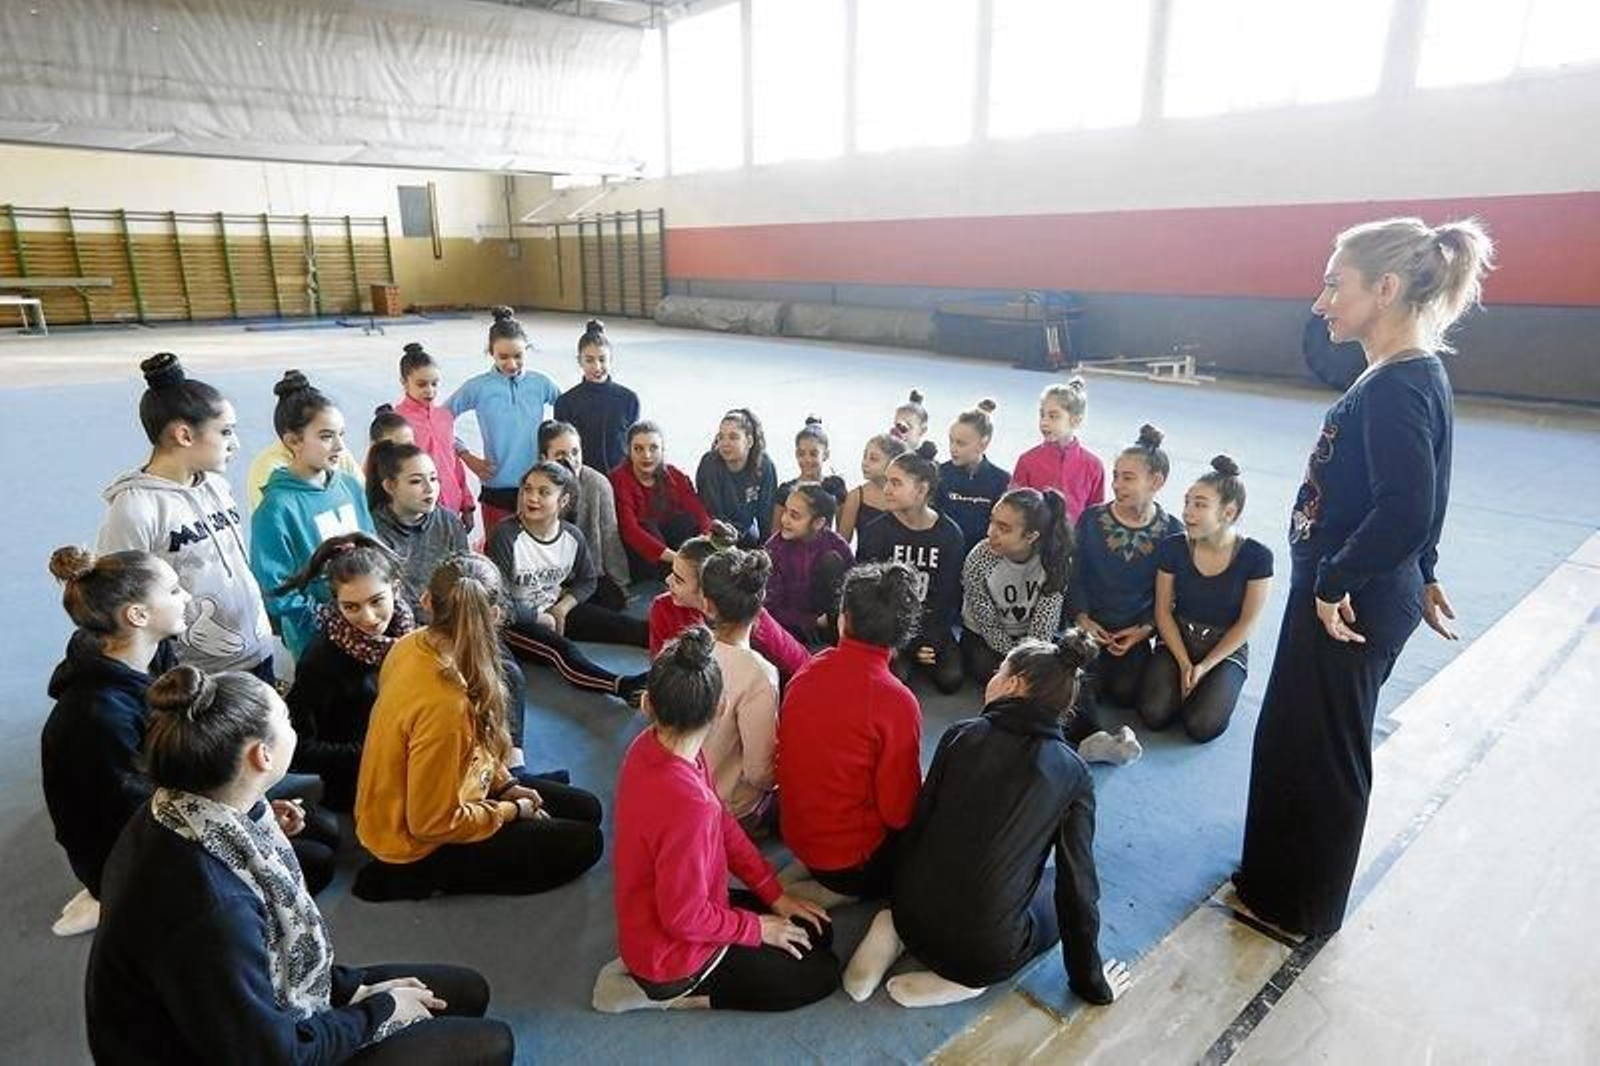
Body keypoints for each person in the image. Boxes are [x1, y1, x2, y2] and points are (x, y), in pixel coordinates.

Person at [1237, 217, 1492, 936]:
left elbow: (1409, 504)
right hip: (1367, 587)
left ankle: (1299, 906)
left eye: (1333, 285)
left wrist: (1333, 579)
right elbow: (1430, 487)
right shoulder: (1410, 373)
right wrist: (1427, 568)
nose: (1321, 303)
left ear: (1384, 288)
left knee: (1324, 754)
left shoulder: (1396, 387)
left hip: (1346, 604)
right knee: (1296, 739)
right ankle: (1275, 881)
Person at [86, 664, 514, 1064]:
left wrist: (353, 990)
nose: (293, 727)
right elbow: (274, 1055)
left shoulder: (176, 809)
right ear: (261, 756)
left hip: (253, 1010)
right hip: (229, 1051)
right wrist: (378, 1009)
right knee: (492, 1045)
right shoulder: (209, 906)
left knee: (466, 991)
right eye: (287, 719)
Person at [842, 633, 1132, 1010]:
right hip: (983, 953)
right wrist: (1092, 983)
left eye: (999, 670)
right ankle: (964, 982)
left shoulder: (961, 734)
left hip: (909, 909)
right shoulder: (1074, 773)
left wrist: (897, 896)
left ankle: (891, 928)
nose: (993, 677)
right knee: (1049, 886)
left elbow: (917, 826)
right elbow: (1077, 888)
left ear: (1014, 684)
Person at [593, 626, 837, 1014]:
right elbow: (683, 917)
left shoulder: (652, 747)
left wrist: (773, 894)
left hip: (672, 918)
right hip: (675, 956)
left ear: (647, 706)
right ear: (720, 707)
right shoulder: (688, 806)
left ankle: (654, 973)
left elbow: (724, 825)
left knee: (817, 934)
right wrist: (758, 928)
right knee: (820, 974)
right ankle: (670, 996)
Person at [354, 554, 605, 900]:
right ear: (497, 615)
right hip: (415, 842)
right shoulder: (446, 706)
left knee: (588, 808)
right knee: (587, 843)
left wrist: (507, 784)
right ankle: (426, 878)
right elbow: (430, 823)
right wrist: (511, 810)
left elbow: (472, 752)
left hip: (445, 794)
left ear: (427, 601)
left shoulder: (409, 644)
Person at [96, 352, 275, 680]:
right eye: (225, 432)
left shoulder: (217, 486)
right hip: (195, 673)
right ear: (184, 435)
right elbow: (116, 601)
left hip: (256, 647)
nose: (235, 443)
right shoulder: (136, 509)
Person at [41, 546, 186, 936]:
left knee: (316, 833)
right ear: (137, 615)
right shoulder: (95, 717)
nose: (185, 596)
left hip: (160, 799)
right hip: (123, 849)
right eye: (173, 591)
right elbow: (132, 811)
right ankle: (110, 897)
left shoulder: (154, 650)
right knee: (313, 860)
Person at [778, 563, 923, 905]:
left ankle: (797, 879)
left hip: (795, 833)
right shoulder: (897, 702)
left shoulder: (810, 667)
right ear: (903, 635)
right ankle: (827, 895)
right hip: (847, 863)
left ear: (843, 619)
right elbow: (898, 812)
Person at [486, 461, 649, 704]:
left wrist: (563, 607)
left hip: (555, 609)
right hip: (514, 623)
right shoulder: (505, 535)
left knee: (627, 626)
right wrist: (542, 618)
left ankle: (683, 647)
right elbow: (501, 603)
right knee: (562, 652)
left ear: (563, 501)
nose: (531, 497)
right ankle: (623, 687)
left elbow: (588, 580)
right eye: (528, 489)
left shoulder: (572, 536)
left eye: (544, 492)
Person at [1139, 458, 1273, 743]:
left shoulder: (1257, 557)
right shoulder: (1173, 547)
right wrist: (1185, 663)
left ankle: (1212, 686)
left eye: (1199, 505)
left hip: (1225, 647)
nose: (1187, 512)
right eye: (1187, 502)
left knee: (1201, 726)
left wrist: (1205, 666)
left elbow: (1247, 624)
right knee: (1154, 714)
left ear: (1229, 511)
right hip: (1179, 639)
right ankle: (1186, 686)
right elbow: (1163, 612)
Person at [282, 534, 415, 812]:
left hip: (410, 763)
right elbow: (298, 748)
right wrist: (373, 749)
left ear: (396, 589)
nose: (368, 618)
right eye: (351, 607)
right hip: (360, 786)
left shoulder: (410, 634)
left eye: (377, 601)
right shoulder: (320, 662)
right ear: (336, 603)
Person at [251, 370, 374, 658]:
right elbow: (274, 587)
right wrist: (325, 616)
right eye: (326, 436)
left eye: (340, 435)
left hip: (367, 623)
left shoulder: (350, 486)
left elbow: (372, 550)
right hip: (316, 641)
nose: (340, 446)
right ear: (293, 441)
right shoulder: (276, 507)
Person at [1068, 425, 1183, 712]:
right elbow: (1075, 575)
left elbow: (1167, 594)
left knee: (1124, 694)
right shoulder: (1091, 519)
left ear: (1156, 481)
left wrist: (1144, 629)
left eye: (1128, 478)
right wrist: (1082, 617)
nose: (1117, 485)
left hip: (1132, 631)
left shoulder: (1172, 532)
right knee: (1081, 690)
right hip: (1088, 625)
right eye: (1116, 476)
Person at [856, 445, 967, 695]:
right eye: (887, 482)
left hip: (931, 624)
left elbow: (948, 597)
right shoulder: (876, 532)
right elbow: (869, 592)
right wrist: (901, 642)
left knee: (951, 679)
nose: (886, 490)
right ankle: (909, 656)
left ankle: (920, 654)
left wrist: (930, 640)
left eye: (896, 483)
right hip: (889, 626)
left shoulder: (950, 535)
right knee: (896, 679)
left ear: (921, 490)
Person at [649, 522, 812, 684]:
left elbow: (802, 664)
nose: (667, 580)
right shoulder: (663, 607)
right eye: (672, 572)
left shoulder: (748, 617)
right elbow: (660, 672)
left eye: (678, 580)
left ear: (707, 594)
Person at [447, 307, 562, 532]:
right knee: (499, 552)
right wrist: (467, 456)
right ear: (491, 352)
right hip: (496, 484)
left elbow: (571, 410)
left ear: (527, 350)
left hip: (537, 484)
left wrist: (557, 453)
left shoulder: (541, 383)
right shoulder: (478, 387)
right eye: (503, 357)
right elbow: (438, 422)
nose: (511, 364)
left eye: (518, 356)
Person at [697, 550, 781, 828]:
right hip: (729, 808)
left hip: (683, 790)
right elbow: (759, 772)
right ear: (761, 605)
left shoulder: (686, 650)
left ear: (707, 605)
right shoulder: (759, 674)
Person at [368, 441, 469, 622]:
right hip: (404, 626)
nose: (429, 489)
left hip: (451, 619)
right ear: (390, 486)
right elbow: (391, 602)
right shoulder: (374, 530)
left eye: (433, 478)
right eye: (416, 481)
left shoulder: (449, 521)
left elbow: (466, 577)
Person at [540, 419, 631, 609]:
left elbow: (610, 538)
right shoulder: (533, 486)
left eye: (575, 452)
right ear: (544, 458)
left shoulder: (598, 483)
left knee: (613, 600)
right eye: (560, 455)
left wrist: (622, 584)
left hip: (588, 576)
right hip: (548, 579)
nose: (571, 460)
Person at [610, 420, 713, 580]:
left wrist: (706, 537)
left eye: (653, 448)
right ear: (628, 451)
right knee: (646, 525)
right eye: (638, 449)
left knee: (687, 520)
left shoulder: (675, 475)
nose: (647, 455)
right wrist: (677, 559)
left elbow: (698, 510)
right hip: (643, 552)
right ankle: (682, 574)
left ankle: (688, 572)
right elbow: (630, 530)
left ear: (662, 450)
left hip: (672, 546)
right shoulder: (619, 479)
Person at [394, 343, 476, 532]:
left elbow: (454, 463)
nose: (429, 390)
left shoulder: (444, 417)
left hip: (452, 507)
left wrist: (467, 504)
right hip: (416, 511)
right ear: (404, 382)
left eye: (434, 383)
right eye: (421, 384)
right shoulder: (397, 420)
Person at [764, 483, 854, 645]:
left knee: (832, 561)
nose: (785, 520)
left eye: (794, 516)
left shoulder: (836, 545)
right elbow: (770, 608)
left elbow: (854, 588)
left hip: (831, 624)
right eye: (785, 511)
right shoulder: (773, 549)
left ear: (818, 523)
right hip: (788, 631)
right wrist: (813, 621)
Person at [1010, 378, 1105, 522]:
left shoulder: (1093, 465)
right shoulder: (1027, 461)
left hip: (1076, 540)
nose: (1044, 422)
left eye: (1053, 416)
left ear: (1076, 420)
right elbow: (1015, 509)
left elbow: (1096, 515)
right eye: (1042, 414)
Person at [553, 319, 640, 476]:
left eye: (602, 359)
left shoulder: (628, 399)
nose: (597, 367)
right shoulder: (565, 403)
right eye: (589, 360)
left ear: (611, 359)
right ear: (579, 361)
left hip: (621, 479)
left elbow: (634, 445)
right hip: (582, 478)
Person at [935, 399, 1010, 556]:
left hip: (982, 559)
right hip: (944, 554)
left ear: (983, 443)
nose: (953, 448)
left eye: (961, 444)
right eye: (951, 441)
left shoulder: (1002, 481)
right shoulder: (939, 474)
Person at [696, 408, 780, 547]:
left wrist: (765, 551)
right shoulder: (709, 463)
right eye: (721, 437)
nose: (725, 443)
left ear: (749, 441)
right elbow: (711, 513)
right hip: (716, 532)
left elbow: (766, 515)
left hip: (746, 530)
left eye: (733, 437)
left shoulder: (765, 465)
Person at [770, 416, 848, 535]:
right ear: (796, 454)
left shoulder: (835, 487)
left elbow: (842, 534)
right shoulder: (785, 490)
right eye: (801, 454)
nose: (807, 459)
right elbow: (775, 534)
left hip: (825, 551)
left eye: (813, 454)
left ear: (826, 455)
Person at [837, 433, 907, 545]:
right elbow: (841, 545)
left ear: (893, 463)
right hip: (865, 561)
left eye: (873, 459)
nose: (865, 463)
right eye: (864, 456)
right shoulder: (856, 496)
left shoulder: (908, 496)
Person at [889, 388, 932, 452]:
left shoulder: (923, 460)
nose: (899, 432)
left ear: (922, 431)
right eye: (897, 425)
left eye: (908, 426)